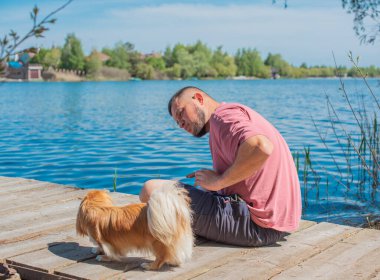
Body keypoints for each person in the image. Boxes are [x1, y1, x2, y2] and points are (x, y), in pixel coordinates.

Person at [140, 86, 301, 247]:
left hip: (257, 226)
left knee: (151, 190)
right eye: (177, 122)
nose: (181, 124)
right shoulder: (233, 113)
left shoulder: (222, 118)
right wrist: (215, 183)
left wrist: (219, 181)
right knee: (196, 191)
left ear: (199, 98)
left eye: (181, 112)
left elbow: (260, 147)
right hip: (276, 223)